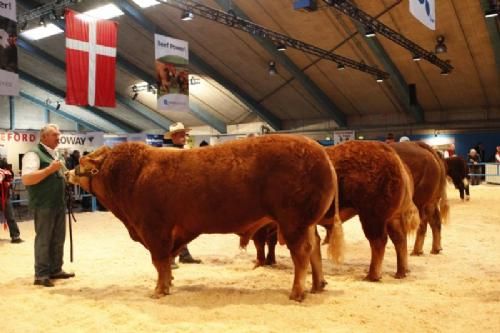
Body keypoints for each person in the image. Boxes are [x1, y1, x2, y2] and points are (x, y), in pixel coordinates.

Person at [21, 124, 75, 287]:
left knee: (58, 238)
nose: (58, 138)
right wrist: (49, 170)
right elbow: (27, 179)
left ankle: (56, 269)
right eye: (54, 135)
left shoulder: (56, 154)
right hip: (43, 204)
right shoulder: (33, 154)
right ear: (43, 137)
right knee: (44, 239)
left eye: (59, 135)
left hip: (58, 203)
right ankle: (41, 274)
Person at [164, 122, 202, 265]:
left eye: (184, 134)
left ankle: (184, 255)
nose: (184, 137)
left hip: (184, 193)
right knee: (172, 227)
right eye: (181, 135)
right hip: (171, 194)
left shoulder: (187, 151)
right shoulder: (166, 153)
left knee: (183, 226)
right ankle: (170, 257)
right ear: (173, 136)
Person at [0, 158, 23, 243]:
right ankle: (15, 236)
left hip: (5, 196)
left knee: (10, 216)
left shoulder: (6, 173)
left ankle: (15, 236)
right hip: (5, 197)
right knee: (10, 216)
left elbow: (9, 178)